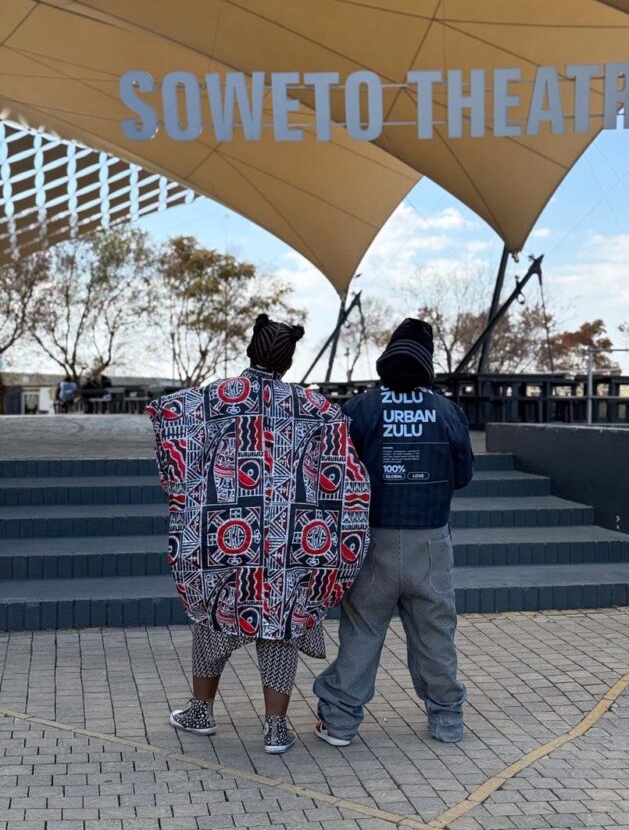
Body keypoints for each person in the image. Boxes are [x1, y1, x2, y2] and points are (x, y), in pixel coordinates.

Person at [147, 314, 371, 754]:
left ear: (251, 350)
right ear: (289, 360)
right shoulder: (316, 408)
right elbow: (346, 474)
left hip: (225, 534)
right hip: (291, 540)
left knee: (213, 620)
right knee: (280, 624)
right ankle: (275, 727)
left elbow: (167, 419)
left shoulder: (215, 398)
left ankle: (201, 712)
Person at [314, 317, 473, 746]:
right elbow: (462, 476)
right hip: (430, 542)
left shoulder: (360, 409)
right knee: (435, 632)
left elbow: (334, 473)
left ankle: (340, 722)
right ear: (427, 360)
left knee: (363, 630)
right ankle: (446, 718)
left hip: (371, 540)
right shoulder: (447, 412)